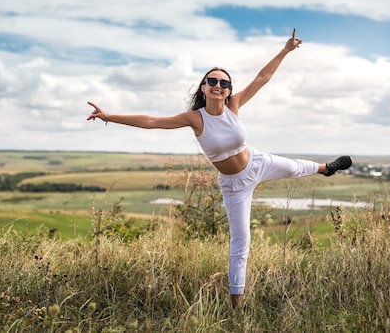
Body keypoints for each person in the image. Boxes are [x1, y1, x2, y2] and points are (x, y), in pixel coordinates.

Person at [87, 29, 352, 308]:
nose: (218, 85)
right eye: (211, 81)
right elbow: (151, 120)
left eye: (224, 83)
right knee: (241, 243)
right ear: (203, 88)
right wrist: (108, 117)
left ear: (228, 90)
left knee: (295, 167)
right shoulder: (194, 118)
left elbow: (262, 78)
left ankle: (326, 168)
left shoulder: (233, 105)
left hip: (257, 162)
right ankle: (237, 304)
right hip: (235, 184)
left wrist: (285, 49)